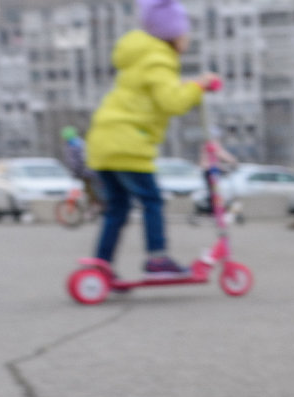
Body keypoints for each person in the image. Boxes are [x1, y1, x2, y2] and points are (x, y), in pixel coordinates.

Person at [85, 0, 219, 276]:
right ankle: (157, 259)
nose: (187, 38)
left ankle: (102, 263)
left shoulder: (140, 56)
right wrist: (199, 85)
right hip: (128, 143)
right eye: (185, 33)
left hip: (104, 140)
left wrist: (188, 86)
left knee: (118, 208)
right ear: (172, 35)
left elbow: (155, 95)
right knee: (152, 200)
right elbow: (173, 103)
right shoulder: (159, 58)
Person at [59, 126, 101, 208]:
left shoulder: (73, 146)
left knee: (89, 190)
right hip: (90, 170)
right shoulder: (80, 143)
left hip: (86, 172)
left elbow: (75, 162)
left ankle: (96, 205)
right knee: (90, 189)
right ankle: (96, 205)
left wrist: (75, 172)